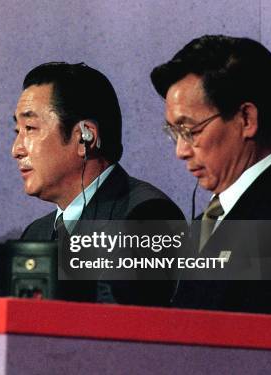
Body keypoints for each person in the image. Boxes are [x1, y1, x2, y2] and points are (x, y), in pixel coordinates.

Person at [151, 34, 271, 315]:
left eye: (190, 130)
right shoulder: (208, 221)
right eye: (174, 133)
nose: (181, 150)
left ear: (246, 119)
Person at [12, 62, 184, 305]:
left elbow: (123, 331)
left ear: (86, 136)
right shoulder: (35, 234)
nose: (16, 150)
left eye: (30, 128)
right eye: (16, 131)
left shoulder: (145, 216)